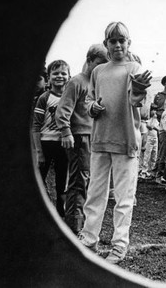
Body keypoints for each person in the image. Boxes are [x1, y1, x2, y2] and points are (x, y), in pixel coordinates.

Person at [77, 22, 152, 265]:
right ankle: (89, 239)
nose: (118, 44)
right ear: (106, 44)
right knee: (94, 194)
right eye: (113, 41)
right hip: (100, 140)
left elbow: (136, 101)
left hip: (126, 140)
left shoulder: (135, 67)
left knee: (124, 196)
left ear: (129, 43)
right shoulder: (98, 72)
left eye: (122, 40)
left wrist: (139, 90)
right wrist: (92, 107)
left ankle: (119, 245)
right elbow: (89, 100)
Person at [54, 44, 107, 234]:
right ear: (89, 60)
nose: (101, 68)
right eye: (99, 63)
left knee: (87, 180)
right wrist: (66, 132)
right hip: (78, 138)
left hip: (92, 137)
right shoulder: (77, 81)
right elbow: (63, 110)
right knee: (78, 181)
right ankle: (73, 227)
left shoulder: (95, 83)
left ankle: (80, 221)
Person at [31, 60, 71, 217]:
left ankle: (61, 213)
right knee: (39, 179)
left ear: (69, 76)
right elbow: (36, 126)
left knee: (62, 181)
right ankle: (41, 211)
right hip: (46, 143)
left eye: (63, 73)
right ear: (49, 77)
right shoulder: (44, 98)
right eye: (55, 73)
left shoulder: (70, 97)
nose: (59, 76)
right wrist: (39, 151)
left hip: (64, 144)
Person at [152, 75, 166, 182]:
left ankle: (164, 174)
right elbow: (154, 110)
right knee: (161, 150)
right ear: (164, 84)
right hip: (161, 125)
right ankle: (157, 173)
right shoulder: (158, 96)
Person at [141, 109, 159, 179]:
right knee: (147, 155)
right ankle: (144, 171)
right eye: (154, 114)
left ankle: (151, 171)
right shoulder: (148, 121)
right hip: (149, 138)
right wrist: (154, 126)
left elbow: (158, 128)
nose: (155, 115)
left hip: (155, 139)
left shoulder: (156, 121)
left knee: (154, 154)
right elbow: (150, 126)